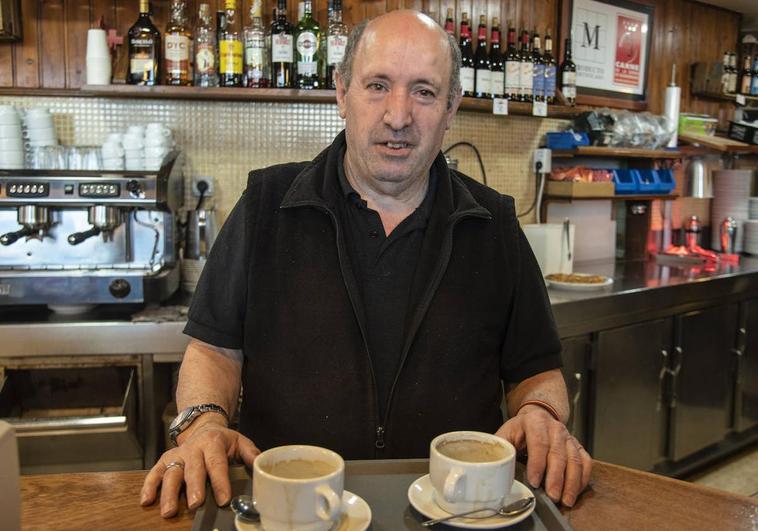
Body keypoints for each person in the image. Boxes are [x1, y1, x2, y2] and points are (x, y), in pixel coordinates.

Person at [141, 9, 592, 519]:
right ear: (341, 93)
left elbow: (536, 370)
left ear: (450, 108)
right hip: (292, 515)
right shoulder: (266, 203)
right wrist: (202, 424)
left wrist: (542, 413)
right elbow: (215, 350)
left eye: (423, 92)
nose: (398, 115)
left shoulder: (493, 223)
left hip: (456, 513)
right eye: (377, 85)